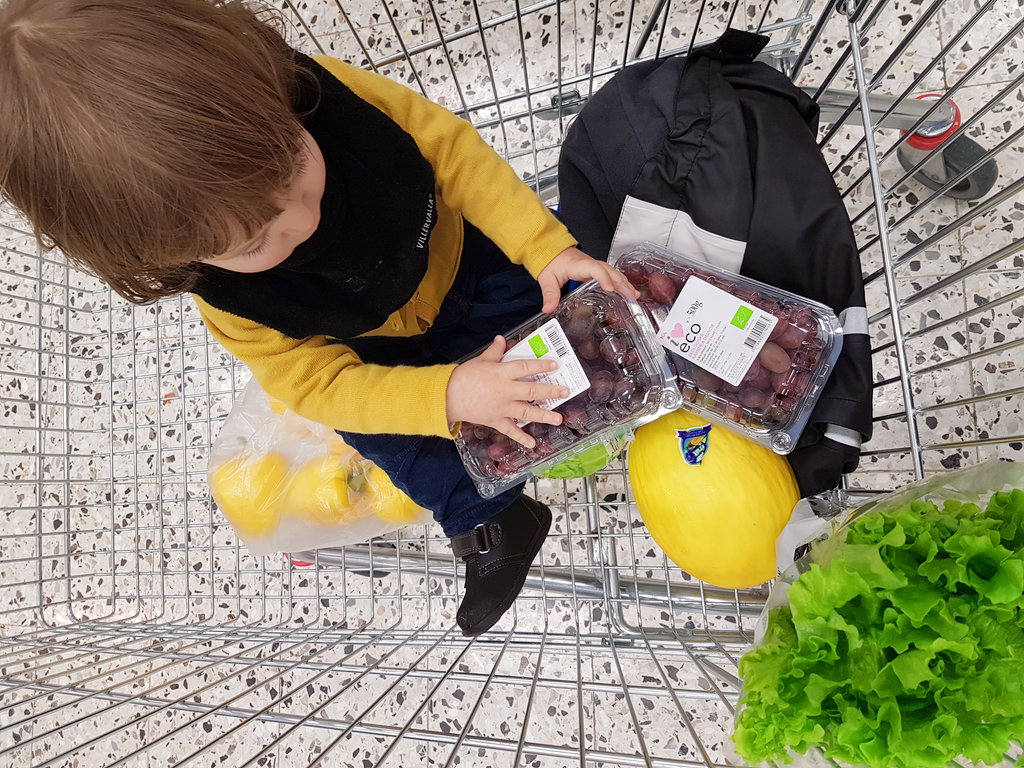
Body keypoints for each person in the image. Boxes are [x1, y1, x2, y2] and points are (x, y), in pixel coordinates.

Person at [0, 0, 638, 636]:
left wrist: (542, 246)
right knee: (382, 435)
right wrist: (445, 394)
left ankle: (640, 369)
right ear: (166, 256)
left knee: (576, 322)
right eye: (254, 240)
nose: (303, 221)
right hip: (380, 354)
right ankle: (483, 516)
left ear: (268, 84)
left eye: (293, 166)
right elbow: (320, 385)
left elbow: (452, 153)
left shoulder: (326, 98)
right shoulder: (231, 304)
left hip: (472, 265)